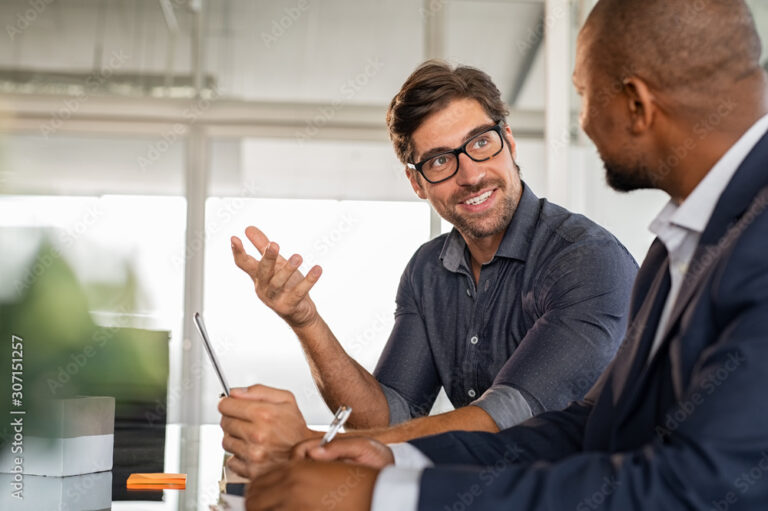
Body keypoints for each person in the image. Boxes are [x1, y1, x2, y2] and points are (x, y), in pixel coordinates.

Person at [243, 0, 768, 509]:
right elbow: (588, 429)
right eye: (442, 160)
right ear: (417, 181)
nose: (582, 122)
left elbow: (700, 485)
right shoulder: (673, 247)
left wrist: (380, 490)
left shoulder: (607, 257)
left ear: (636, 104)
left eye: (583, 95)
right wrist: (391, 460)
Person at [219, 62, 637, 478]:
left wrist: (307, 446)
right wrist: (304, 319)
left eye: (480, 143)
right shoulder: (427, 270)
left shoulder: (586, 259)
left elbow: (504, 416)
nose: (471, 174)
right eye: (439, 161)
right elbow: (384, 420)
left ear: (508, 141)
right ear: (417, 183)